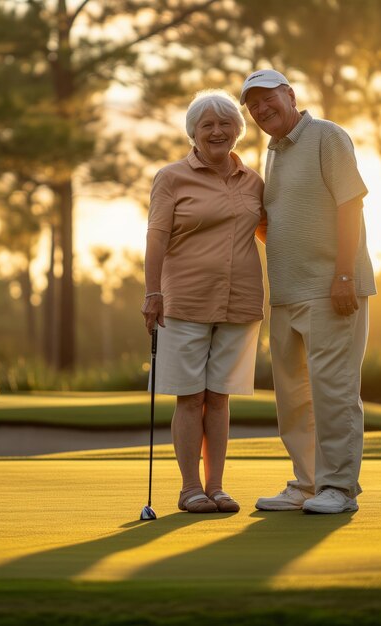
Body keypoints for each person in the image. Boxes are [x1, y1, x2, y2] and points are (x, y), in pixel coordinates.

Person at [240, 69, 376, 514]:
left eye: (268, 98)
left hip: (330, 288)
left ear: (290, 94)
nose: (262, 109)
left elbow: (349, 203)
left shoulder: (327, 136)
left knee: (333, 391)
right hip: (285, 293)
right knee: (294, 397)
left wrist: (343, 276)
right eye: (253, 105)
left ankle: (339, 487)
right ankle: (307, 482)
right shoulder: (273, 153)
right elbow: (277, 221)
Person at [141, 90, 266, 514]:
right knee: (190, 397)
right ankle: (189, 488)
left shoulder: (253, 181)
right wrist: (152, 292)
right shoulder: (172, 177)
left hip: (241, 301)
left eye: (226, 123)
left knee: (221, 396)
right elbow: (156, 236)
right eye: (207, 124)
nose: (217, 131)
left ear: (238, 130)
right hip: (185, 301)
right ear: (193, 133)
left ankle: (216, 486)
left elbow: (269, 231)